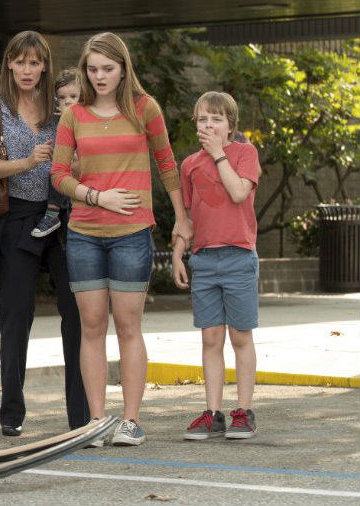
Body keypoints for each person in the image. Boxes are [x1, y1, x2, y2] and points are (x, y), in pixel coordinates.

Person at [50, 32, 192, 447]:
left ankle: (131, 421)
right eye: (92, 69)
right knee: (91, 327)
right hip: (84, 234)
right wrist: (97, 196)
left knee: (129, 326)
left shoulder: (144, 108)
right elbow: (58, 176)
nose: (99, 77)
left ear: (123, 68)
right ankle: (97, 420)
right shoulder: (73, 115)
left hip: (132, 233)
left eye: (107, 69)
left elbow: (167, 166)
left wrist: (181, 219)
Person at [0, 32, 89, 438]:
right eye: (19, 62)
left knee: (76, 313)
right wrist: (25, 162)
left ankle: (81, 414)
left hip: (64, 215)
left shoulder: (62, 106)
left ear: (45, 66)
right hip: (17, 218)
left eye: (34, 63)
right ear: (9, 63)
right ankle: (11, 412)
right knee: (16, 314)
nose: (27, 70)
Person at [172, 91, 260, 440]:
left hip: (238, 256)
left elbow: (240, 193)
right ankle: (213, 413)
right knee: (210, 338)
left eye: (216, 119)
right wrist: (179, 252)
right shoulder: (190, 164)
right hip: (204, 261)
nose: (209, 125)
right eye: (203, 119)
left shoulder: (244, 153)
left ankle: (244, 411)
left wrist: (218, 154)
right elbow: (189, 217)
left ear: (230, 126)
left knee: (240, 335)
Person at [32, 68, 80, 238]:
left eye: (73, 97)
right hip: (65, 181)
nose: (67, 101)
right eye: (62, 98)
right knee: (55, 170)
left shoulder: (89, 118)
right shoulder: (58, 120)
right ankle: (52, 214)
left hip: (85, 181)